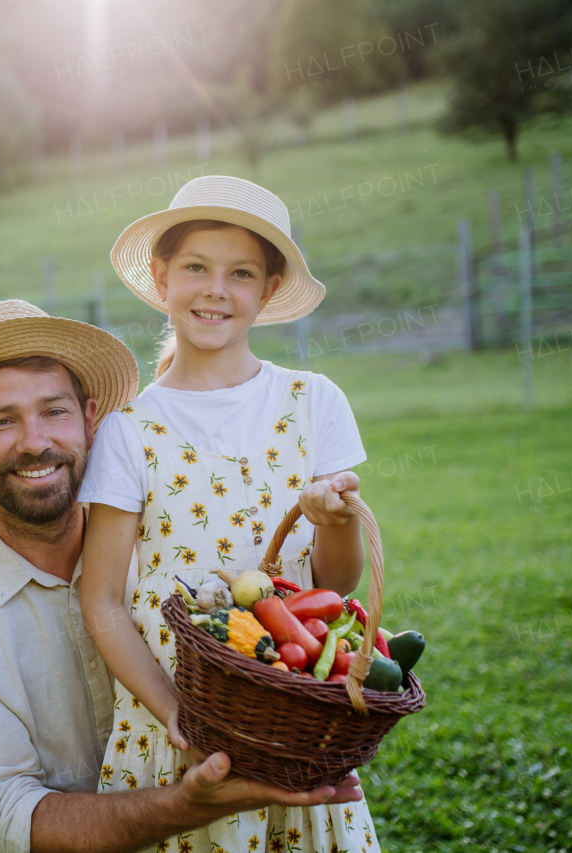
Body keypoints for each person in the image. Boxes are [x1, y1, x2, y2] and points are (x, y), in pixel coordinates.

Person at [0, 298, 363, 853]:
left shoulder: (173, 561)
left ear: (91, 419)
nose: (34, 442)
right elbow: (17, 824)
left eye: (53, 412)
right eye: (1, 421)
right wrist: (192, 802)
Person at [79, 175, 379, 853]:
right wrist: (177, 712)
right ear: (161, 278)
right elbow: (100, 600)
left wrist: (333, 521)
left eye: (240, 272)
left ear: (268, 290)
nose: (216, 289)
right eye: (195, 267)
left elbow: (339, 585)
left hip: (288, 714)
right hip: (178, 723)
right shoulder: (130, 428)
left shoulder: (313, 401)